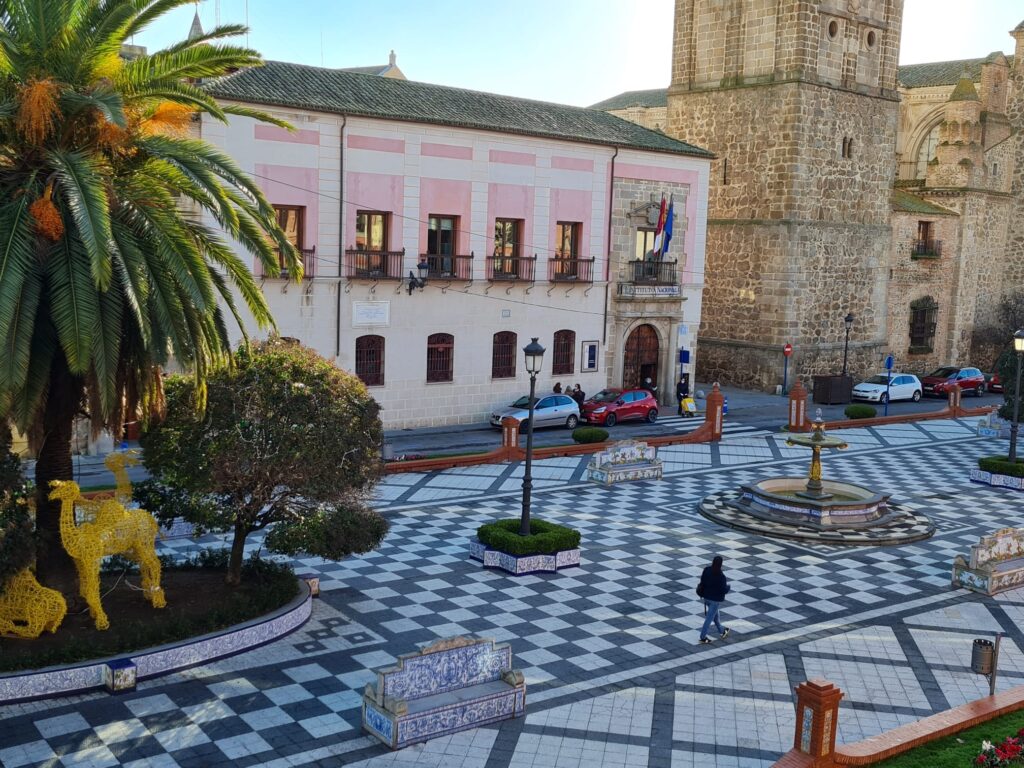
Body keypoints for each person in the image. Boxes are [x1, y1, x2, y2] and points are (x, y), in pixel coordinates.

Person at [697, 555, 731, 644]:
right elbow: (723, 590)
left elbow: (702, 581)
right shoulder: (721, 577)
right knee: (709, 619)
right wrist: (728, 587)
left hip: (706, 597)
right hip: (715, 601)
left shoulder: (707, 570)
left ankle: (722, 631)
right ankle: (703, 637)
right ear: (721, 564)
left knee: (715, 616)